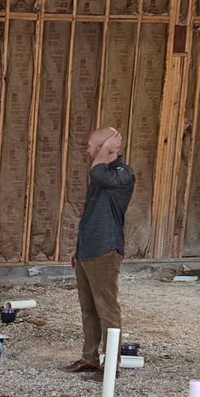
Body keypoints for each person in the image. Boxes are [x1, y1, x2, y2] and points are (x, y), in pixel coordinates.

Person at [69, 126, 134, 374]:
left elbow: (98, 173)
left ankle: (111, 365)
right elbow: (90, 213)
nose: (87, 150)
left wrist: (106, 151)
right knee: (88, 308)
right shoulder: (103, 172)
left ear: (104, 148)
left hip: (105, 250)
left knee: (106, 308)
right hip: (88, 248)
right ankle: (90, 357)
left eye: (90, 146)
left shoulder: (122, 174)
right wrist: (78, 248)